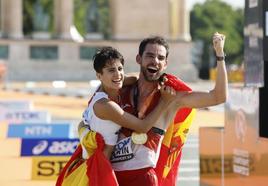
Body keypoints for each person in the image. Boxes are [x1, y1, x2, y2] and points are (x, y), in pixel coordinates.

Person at [110, 32, 227, 186]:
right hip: (111, 177)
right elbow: (101, 89)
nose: (155, 61)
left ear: (165, 64)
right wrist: (129, 78)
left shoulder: (172, 98)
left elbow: (218, 97)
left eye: (160, 58)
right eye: (150, 56)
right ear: (139, 59)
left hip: (144, 179)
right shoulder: (121, 90)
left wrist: (220, 55)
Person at [56, 46, 176, 186]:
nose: (118, 74)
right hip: (98, 173)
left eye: (120, 69)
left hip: (103, 166)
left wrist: (157, 77)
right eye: (111, 70)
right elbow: (142, 127)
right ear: (99, 76)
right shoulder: (106, 106)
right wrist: (164, 102)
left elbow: (135, 78)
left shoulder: (107, 87)